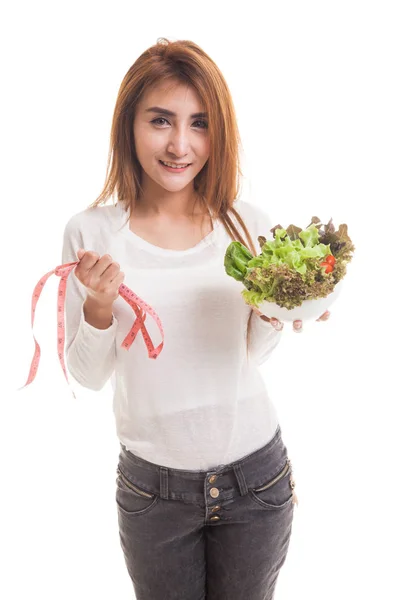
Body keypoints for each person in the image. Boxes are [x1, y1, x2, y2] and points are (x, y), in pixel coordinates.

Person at [61, 38, 330, 600]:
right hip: (153, 493)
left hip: (256, 480)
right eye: (161, 120)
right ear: (128, 125)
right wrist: (99, 306)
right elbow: (87, 376)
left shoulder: (246, 226)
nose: (181, 145)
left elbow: (250, 354)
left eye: (199, 124)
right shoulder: (91, 235)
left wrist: (277, 312)